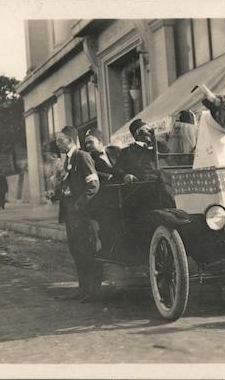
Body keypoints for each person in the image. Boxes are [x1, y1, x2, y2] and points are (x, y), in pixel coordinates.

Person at [55, 125, 101, 302]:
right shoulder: (68, 159)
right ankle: (83, 290)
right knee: (76, 251)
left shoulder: (82, 156)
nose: (58, 144)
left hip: (82, 215)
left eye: (61, 140)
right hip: (71, 216)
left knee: (87, 252)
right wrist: (57, 194)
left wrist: (78, 205)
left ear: (72, 141)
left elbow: (93, 185)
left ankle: (93, 292)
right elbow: (69, 185)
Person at [112, 119, 167, 183]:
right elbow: (116, 170)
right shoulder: (127, 152)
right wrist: (125, 176)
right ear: (138, 133)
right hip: (140, 186)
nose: (150, 132)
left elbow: (167, 153)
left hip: (161, 184)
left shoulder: (156, 147)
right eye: (147, 130)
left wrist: (153, 139)